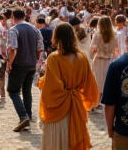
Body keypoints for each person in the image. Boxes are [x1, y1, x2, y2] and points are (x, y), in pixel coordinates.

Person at [38, 22, 99, 150]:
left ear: (56, 37)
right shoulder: (81, 57)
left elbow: (52, 86)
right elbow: (88, 84)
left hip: (57, 107)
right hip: (75, 106)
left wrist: (42, 80)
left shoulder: (54, 58)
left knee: (56, 142)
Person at [7, 8, 44, 132]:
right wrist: (35, 59)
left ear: (13, 17)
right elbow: (40, 48)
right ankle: (28, 116)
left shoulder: (14, 29)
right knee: (27, 90)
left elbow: (13, 49)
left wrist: (9, 64)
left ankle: (23, 116)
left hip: (19, 63)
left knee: (13, 91)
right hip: (31, 63)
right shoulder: (34, 29)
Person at [90, 16, 118, 110]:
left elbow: (93, 49)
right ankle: (107, 101)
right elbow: (116, 50)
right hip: (109, 60)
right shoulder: (114, 34)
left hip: (98, 59)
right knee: (107, 81)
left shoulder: (97, 35)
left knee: (97, 82)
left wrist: (93, 53)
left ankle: (96, 102)